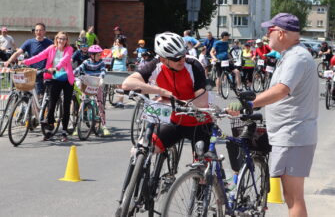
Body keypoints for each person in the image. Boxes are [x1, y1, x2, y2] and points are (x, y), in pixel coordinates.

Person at [228, 13, 318, 217]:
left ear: (281, 33)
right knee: (290, 196)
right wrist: (257, 100)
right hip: (289, 134)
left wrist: (251, 104)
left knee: (294, 198)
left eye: (270, 31)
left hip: (293, 135)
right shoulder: (289, 55)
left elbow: (281, 90)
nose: (267, 35)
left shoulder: (296, 57)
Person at [122, 32, 212, 154]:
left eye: (183, 55)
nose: (181, 60)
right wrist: (161, 91)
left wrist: (170, 101)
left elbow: (201, 102)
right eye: (176, 58)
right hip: (173, 121)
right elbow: (127, 84)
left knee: (201, 164)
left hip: (198, 121)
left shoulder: (194, 65)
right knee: (139, 150)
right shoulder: (156, 64)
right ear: (163, 59)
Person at [20, 32, 74, 142]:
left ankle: (64, 131)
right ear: (56, 39)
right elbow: (39, 57)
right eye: (59, 38)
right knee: (52, 102)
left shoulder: (69, 49)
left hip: (67, 79)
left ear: (66, 40)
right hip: (54, 78)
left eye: (64, 39)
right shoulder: (51, 48)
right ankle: (50, 127)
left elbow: (66, 59)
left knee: (66, 104)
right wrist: (25, 61)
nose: (61, 41)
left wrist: (56, 67)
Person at [5, 23, 53, 95]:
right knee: (28, 95)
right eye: (36, 30)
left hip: (43, 72)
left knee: (39, 96)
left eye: (40, 30)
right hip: (30, 72)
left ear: (44, 31)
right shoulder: (29, 42)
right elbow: (18, 53)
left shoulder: (50, 43)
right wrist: (9, 61)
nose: (38, 32)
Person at [74, 45, 110, 136]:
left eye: (100, 55)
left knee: (100, 103)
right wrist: (72, 74)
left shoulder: (101, 63)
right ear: (92, 55)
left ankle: (104, 126)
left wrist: (102, 78)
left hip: (98, 84)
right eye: (98, 55)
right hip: (87, 85)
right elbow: (79, 69)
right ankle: (77, 126)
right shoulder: (86, 62)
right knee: (82, 103)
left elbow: (103, 71)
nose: (100, 56)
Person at [112, 36, 128, 108]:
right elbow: (111, 55)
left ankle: (121, 102)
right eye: (116, 41)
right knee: (117, 85)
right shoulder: (115, 48)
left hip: (121, 68)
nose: (116, 43)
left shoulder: (124, 49)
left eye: (117, 42)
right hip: (115, 67)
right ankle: (118, 101)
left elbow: (119, 56)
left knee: (121, 85)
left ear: (121, 42)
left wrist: (116, 49)